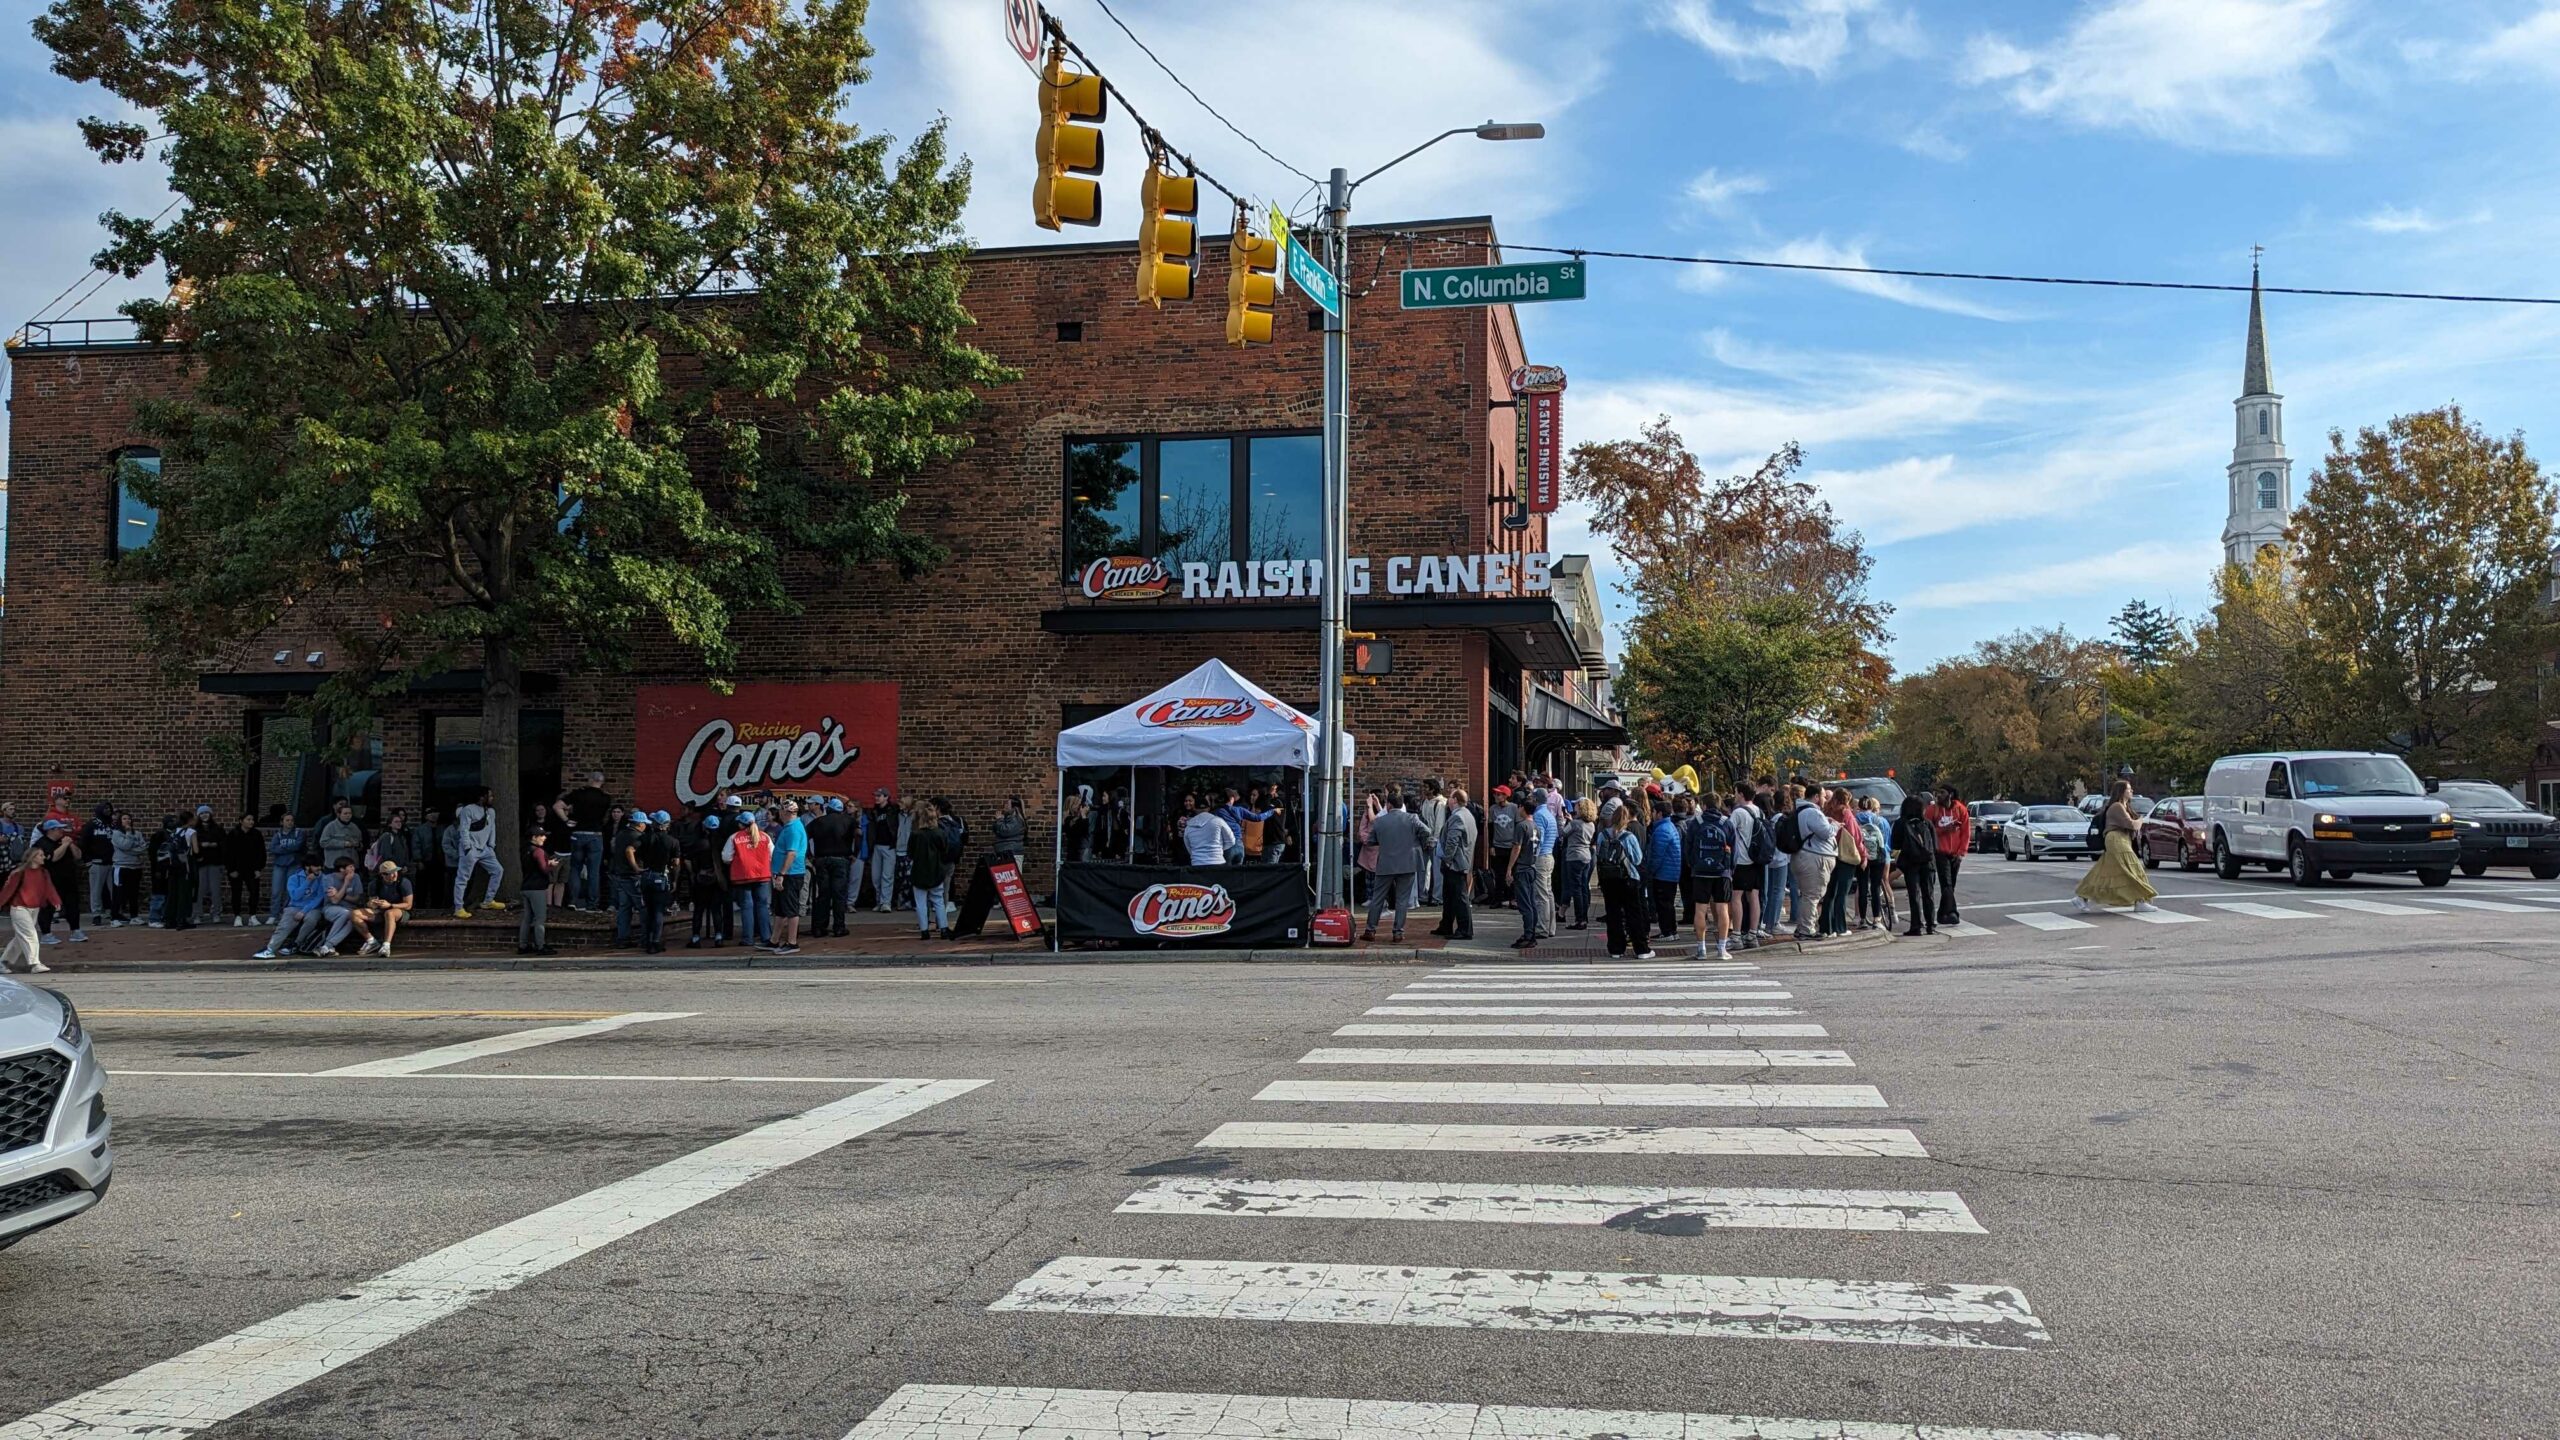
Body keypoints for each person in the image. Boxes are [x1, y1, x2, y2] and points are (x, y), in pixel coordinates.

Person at [2076, 781, 2163, 914]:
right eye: (2129, 789)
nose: (2131, 791)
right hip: (2116, 840)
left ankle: (2081, 897)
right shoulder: (2117, 806)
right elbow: (2131, 825)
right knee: (2133, 868)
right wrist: (2140, 820)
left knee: (2102, 872)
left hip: (2121, 840)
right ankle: (2140, 901)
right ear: (2121, 791)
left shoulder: (2124, 806)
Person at [1360, 792, 1431, 944]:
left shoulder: (1380, 822)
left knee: (1377, 898)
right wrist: (1416, 843)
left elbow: (1371, 841)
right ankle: (1398, 932)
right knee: (1402, 900)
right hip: (1407, 863)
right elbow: (1427, 831)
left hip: (1385, 863)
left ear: (1389, 805)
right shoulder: (1412, 819)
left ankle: (1370, 930)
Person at [1597, 808, 1656, 961]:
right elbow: (1637, 859)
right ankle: (1641, 948)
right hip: (1628, 878)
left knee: (1613, 914)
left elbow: (1598, 855)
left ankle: (1616, 948)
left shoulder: (1602, 835)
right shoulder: (1628, 837)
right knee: (1633, 914)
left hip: (1608, 879)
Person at [1683, 794, 1736, 959]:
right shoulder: (1726, 823)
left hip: (1700, 871)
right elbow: (1734, 849)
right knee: (1722, 909)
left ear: (1704, 806)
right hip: (1721, 871)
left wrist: (1693, 864)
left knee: (1700, 909)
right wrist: (1729, 868)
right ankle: (1721, 949)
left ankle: (1701, 949)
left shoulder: (1695, 823)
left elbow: (1688, 847)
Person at [558, 771, 613, 910]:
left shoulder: (578, 794)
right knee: (594, 871)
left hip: (578, 832)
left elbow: (557, 806)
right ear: (602, 782)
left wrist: (566, 820)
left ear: (589, 780)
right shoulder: (606, 798)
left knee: (575, 869)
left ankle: (573, 901)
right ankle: (592, 904)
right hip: (595, 834)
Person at [0, 846, 60, 973]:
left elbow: (49, 888)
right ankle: (35, 964)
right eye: (40, 855)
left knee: (20, 938)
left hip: (34, 908)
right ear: (33, 857)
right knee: (30, 935)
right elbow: (7, 890)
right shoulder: (19, 873)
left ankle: (3, 962)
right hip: (19, 908)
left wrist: (55, 900)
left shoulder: (44, 872)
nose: (43, 857)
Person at [1787, 785, 1836, 941]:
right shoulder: (1812, 812)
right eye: (1823, 796)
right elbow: (1826, 832)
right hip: (1814, 858)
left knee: (1808, 895)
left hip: (1806, 857)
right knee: (1812, 895)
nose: (1825, 799)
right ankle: (1807, 929)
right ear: (1815, 797)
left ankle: (1803, 927)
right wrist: (1834, 825)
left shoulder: (1803, 811)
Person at [1430, 786, 1477, 941]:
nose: (1448, 800)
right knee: (1449, 896)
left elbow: (1452, 842)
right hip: (1462, 861)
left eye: (1450, 797)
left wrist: (1447, 860)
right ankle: (1446, 924)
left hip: (1455, 864)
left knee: (1459, 897)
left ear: (1455, 800)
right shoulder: (1467, 815)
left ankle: (1464, 929)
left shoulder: (1458, 817)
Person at [723, 809, 775, 948]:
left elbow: (726, 857)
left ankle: (748, 938)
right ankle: (766, 936)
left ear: (741, 824)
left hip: (743, 875)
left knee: (746, 907)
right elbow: (772, 854)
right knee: (763, 906)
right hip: (763, 875)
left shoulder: (734, 837)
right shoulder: (765, 836)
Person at [452, 787, 505, 916]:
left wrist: (491, 846)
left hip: (485, 849)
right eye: (490, 796)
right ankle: (458, 907)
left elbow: (492, 828)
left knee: (498, 870)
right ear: (482, 797)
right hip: (471, 849)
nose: (492, 798)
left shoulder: (491, 812)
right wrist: (467, 847)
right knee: (463, 878)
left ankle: (488, 900)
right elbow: (464, 829)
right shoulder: (468, 810)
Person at [809, 796, 857, 939]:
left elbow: (804, 836)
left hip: (822, 859)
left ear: (828, 809)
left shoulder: (817, 822)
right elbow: (859, 835)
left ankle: (820, 927)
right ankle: (839, 927)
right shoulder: (849, 821)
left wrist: (809, 855)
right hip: (841, 859)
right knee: (839, 895)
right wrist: (854, 853)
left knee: (823, 895)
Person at [1514, 790, 1556, 950]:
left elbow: (1537, 839)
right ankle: (1550, 927)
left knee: (1540, 895)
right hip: (1549, 855)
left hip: (1541, 856)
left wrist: (1532, 857)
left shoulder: (1538, 816)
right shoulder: (1549, 814)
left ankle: (1542, 928)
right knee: (1548, 892)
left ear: (1536, 801)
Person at [907, 799, 954, 940]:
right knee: (938, 900)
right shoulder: (939, 833)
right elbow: (945, 851)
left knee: (920, 902)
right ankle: (944, 928)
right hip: (935, 870)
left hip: (919, 871)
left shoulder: (916, 834)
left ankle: (924, 931)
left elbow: (910, 853)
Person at [346, 860, 415, 957]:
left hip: (399, 911)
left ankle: (386, 945)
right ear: (382, 875)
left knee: (389, 913)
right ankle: (371, 941)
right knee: (354, 914)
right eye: (389, 874)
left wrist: (390, 905)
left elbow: (408, 905)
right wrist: (372, 904)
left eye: (395, 872)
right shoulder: (374, 884)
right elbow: (372, 901)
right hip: (380, 910)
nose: (393, 875)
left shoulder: (404, 882)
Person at [633, 810, 678, 953]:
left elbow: (632, 850)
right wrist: (675, 880)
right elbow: (676, 863)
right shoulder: (672, 841)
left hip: (646, 875)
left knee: (647, 910)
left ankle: (646, 940)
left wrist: (637, 868)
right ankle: (655, 942)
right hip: (661, 877)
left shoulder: (645, 838)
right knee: (658, 911)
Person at [768, 798, 808, 955]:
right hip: (784, 873)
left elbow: (791, 853)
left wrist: (782, 874)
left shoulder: (793, 829)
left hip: (791, 874)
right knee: (780, 909)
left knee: (791, 909)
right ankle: (774, 940)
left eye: (780, 811)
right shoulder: (789, 827)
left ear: (785, 812)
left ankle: (792, 942)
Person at [1926, 785, 1971, 926]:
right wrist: (1944, 830)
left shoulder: (1960, 809)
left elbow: (1966, 832)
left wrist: (1961, 852)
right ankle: (1952, 913)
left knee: (1951, 885)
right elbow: (1927, 830)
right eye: (1937, 792)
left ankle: (1942, 914)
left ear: (1950, 794)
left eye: (1942, 792)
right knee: (1946, 884)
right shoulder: (1932, 810)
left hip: (1956, 853)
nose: (1938, 795)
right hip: (1940, 852)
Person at [1895, 795, 1939, 937]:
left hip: (1910, 862)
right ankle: (1931, 925)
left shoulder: (1901, 823)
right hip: (1928, 862)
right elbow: (1935, 845)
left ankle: (1916, 925)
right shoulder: (1927, 823)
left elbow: (1895, 843)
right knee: (1929, 894)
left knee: (1914, 895)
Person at [1819, 790, 1861, 938]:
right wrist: (1863, 855)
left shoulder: (1826, 812)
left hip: (1829, 854)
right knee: (1842, 893)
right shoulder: (1846, 813)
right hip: (1845, 856)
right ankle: (1840, 927)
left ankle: (1826, 927)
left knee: (1830, 892)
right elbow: (1855, 836)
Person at [686, 812, 731, 948]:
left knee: (699, 909)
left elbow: (688, 860)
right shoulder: (722, 843)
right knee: (716, 909)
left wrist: (693, 873)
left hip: (701, 878)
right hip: (717, 879)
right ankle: (718, 936)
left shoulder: (699, 843)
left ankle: (695, 938)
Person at [1644, 798, 1685, 942]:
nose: (1652, 814)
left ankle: (1667, 931)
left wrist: (1650, 871)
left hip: (1663, 874)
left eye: (1654, 812)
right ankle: (1671, 931)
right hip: (1670, 872)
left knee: (1663, 905)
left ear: (1659, 813)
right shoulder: (1670, 826)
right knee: (1668, 904)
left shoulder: (1662, 830)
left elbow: (1657, 855)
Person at [519, 815, 559, 956]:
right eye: (541, 836)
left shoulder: (525, 849)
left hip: (526, 886)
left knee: (527, 917)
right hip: (537, 888)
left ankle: (523, 945)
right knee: (540, 918)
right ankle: (540, 945)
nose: (544, 838)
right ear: (534, 837)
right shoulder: (538, 851)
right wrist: (551, 865)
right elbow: (543, 869)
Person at [313, 856, 368, 957]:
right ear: (342, 869)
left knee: (352, 920)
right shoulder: (328, 879)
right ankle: (328, 945)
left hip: (350, 908)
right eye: (350, 867)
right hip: (331, 908)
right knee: (345, 913)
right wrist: (346, 883)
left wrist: (339, 894)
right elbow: (334, 900)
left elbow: (357, 899)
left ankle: (327, 946)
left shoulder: (356, 877)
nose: (353, 869)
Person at [1855, 796, 1894, 932]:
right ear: (1872, 807)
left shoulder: (1855, 819)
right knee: (1876, 887)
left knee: (1862, 886)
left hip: (1861, 856)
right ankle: (1877, 919)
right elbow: (1888, 839)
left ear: (1859, 806)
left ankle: (1862, 919)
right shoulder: (1881, 820)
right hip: (1879, 856)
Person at [1556, 797, 1595, 931]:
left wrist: (1564, 821)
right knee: (1584, 888)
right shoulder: (1591, 824)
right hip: (1586, 856)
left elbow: (1562, 834)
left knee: (1576, 889)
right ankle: (1584, 916)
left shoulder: (1575, 824)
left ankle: (1580, 919)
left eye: (1577, 806)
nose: (1575, 808)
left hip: (1574, 857)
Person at [864, 788, 902, 910]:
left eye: (879, 796)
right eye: (876, 795)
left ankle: (886, 902)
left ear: (886, 797)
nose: (876, 798)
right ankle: (879, 901)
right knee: (875, 876)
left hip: (889, 846)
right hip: (876, 846)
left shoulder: (893, 810)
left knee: (887, 875)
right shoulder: (873, 811)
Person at [224, 811, 264, 925]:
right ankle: (237, 916)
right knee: (236, 892)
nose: (251, 822)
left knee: (254, 892)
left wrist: (258, 868)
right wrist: (231, 869)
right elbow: (228, 853)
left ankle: (252, 915)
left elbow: (260, 852)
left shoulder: (256, 834)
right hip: (236, 869)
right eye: (248, 819)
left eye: (252, 820)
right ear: (241, 821)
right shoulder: (233, 834)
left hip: (252, 868)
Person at [81, 804, 116, 933]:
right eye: (105, 809)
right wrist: (88, 861)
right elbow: (84, 843)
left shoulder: (112, 825)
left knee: (114, 889)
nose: (108, 811)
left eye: (109, 809)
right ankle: (96, 914)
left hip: (112, 862)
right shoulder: (91, 825)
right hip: (96, 862)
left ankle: (115, 912)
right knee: (96, 890)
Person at [111, 812, 149, 924]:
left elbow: (142, 848)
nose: (127, 821)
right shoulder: (116, 834)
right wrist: (128, 834)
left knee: (134, 893)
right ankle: (115, 917)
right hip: (121, 867)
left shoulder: (137, 833)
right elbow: (125, 846)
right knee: (119, 893)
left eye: (129, 819)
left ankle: (134, 916)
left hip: (136, 867)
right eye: (124, 819)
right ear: (120, 821)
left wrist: (131, 851)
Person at [1484, 787, 1519, 907]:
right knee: (1499, 873)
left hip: (1510, 845)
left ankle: (1513, 898)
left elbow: (1517, 825)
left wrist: (1517, 843)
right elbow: (1491, 827)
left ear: (1505, 796)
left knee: (1511, 873)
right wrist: (1491, 845)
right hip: (1498, 845)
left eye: (1499, 795)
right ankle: (1498, 898)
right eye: (1495, 794)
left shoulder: (1514, 808)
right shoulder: (1493, 809)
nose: (1496, 797)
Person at [1181, 793, 1235, 867]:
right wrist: (1218, 849)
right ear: (1208, 808)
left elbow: (1189, 847)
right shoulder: (1218, 821)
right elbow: (1231, 841)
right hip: (1217, 861)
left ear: (1195, 809)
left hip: (1197, 863)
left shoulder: (1189, 826)